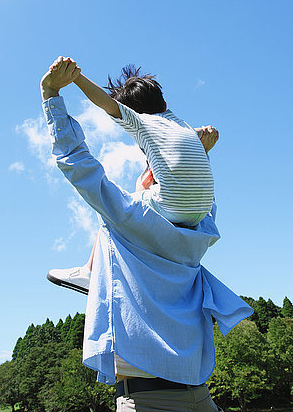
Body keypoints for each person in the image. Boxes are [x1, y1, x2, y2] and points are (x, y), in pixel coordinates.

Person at [41, 57, 253, 412]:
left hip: (149, 401)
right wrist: (200, 154)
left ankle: (88, 272)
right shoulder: (201, 232)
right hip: (202, 399)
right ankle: (88, 272)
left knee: (108, 217)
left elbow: (77, 161)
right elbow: (195, 187)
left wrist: (51, 95)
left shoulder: (128, 220)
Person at [47, 57, 218, 294]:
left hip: (172, 205)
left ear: (130, 113)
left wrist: (74, 77)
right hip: (202, 213)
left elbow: (104, 102)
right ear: (164, 102)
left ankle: (88, 272)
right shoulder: (183, 125)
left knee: (112, 209)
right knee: (145, 185)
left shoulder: (141, 122)